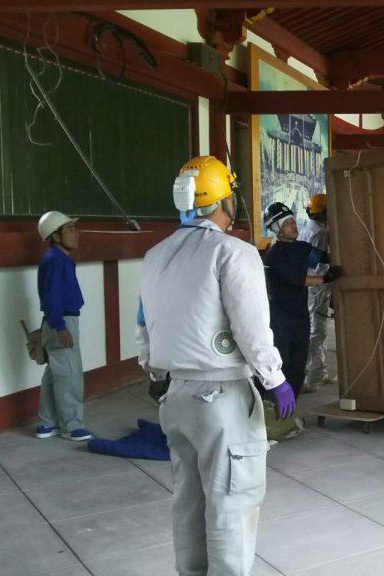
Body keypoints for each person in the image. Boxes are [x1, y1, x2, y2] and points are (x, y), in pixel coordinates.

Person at [136, 155, 295, 576]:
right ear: (224, 201)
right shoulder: (233, 253)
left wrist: (155, 372)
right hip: (222, 398)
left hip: (175, 397)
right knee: (231, 503)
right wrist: (275, 379)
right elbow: (252, 329)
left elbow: (144, 328)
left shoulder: (154, 256)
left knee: (188, 500)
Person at [263, 201, 339, 399]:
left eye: (292, 220)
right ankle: (276, 406)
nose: (293, 224)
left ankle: (291, 405)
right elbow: (298, 280)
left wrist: (339, 259)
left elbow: (321, 257)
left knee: (298, 365)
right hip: (280, 318)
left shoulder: (301, 248)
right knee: (283, 363)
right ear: (277, 228)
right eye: (287, 222)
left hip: (300, 316)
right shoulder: (275, 255)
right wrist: (326, 278)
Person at [35, 211, 91, 441]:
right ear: (55, 236)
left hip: (57, 321)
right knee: (69, 376)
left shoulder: (57, 259)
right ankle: (72, 426)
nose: (75, 234)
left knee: (55, 374)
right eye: (69, 230)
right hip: (61, 321)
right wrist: (60, 327)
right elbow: (52, 298)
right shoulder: (55, 261)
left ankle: (46, 424)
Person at [297, 193, 336, 392]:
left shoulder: (307, 230)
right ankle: (304, 377)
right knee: (315, 332)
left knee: (318, 331)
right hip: (317, 287)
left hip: (312, 287)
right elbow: (315, 262)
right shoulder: (319, 233)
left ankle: (319, 373)